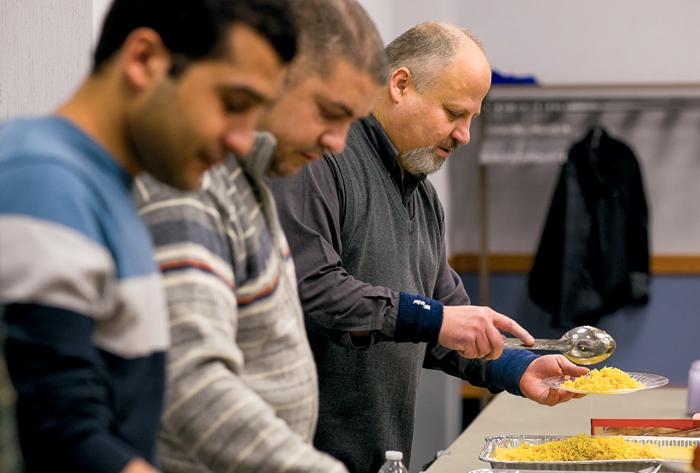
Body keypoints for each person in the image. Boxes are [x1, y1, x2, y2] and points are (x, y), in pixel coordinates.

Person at [271, 21, 589, 473]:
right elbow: (311, 288)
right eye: (454, 113)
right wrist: (431, 318)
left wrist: (516, 367)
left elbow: (447, 327)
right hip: (295, 456)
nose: (463, 135)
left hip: (381, 457)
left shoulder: (423, 197)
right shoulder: (319, 160)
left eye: (471, 120)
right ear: (400, 84)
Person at [0, 0, 296, 471]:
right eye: (233, 104)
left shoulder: (111, 191)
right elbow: (60, 435)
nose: (244, 140)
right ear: (144, 60)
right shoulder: (45, 180)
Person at [132, 1, 386, 472]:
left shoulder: (249, 181)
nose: (337, 142)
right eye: (329, 112)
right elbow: (192, 385)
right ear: (274, 76)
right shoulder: (187, 182)